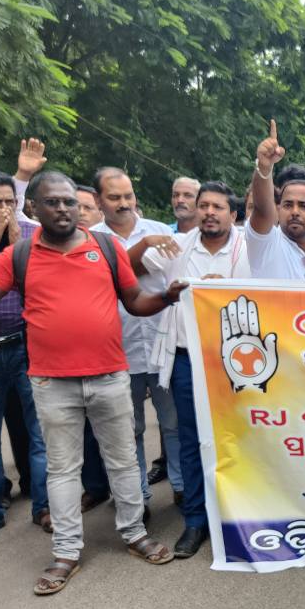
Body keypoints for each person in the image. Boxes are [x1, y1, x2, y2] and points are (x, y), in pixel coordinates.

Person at [0, 171, 182, 593]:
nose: (64, 209)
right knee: (63, 470)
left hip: (110, 376)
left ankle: (134, 533)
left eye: (69, 201)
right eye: (53, 202)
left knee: (123, 460)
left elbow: (134, 301)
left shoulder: (105, 247)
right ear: (35, 208)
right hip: (52, 384)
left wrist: (166, 297)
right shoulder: (20, 255)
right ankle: (66, 552)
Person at [130, 182, 251, 558]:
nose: (209, 212)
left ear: (233, 214)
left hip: (236, 360)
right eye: (204, 205)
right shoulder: (176, 247)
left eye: (218, 207)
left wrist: (226, 290)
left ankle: (238, 515)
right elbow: (127, 269)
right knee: (192, 438)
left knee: (239, 435)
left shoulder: (250, 249)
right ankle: (196, 520)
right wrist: (144, 243)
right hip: (186, 357)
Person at [91, 167, 184, 512]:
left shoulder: (161, 231)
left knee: (172, 423)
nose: (124, 203)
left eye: (128, 195)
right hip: (117, 350)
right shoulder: (90, 240)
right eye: (114, 197)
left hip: (163, 345)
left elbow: (179, 276)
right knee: (129, 430)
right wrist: (143, 250)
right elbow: (107, 278)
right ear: (99, 200)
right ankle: (137, 498)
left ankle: (182, 487)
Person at [0, 170, 49, 543]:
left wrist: (19, 249)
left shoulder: (33, 234)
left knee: (40, 431)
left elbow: (43, 287)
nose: (4, 209)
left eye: (10, 202)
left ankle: (45, 506)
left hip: (27, 345)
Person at [247, 121, 305, 281]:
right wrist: (264, 167)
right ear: (278, 209)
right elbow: (262, 209)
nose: (295, 212)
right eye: (288, 205)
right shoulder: (266, 246)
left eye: (304, 206)